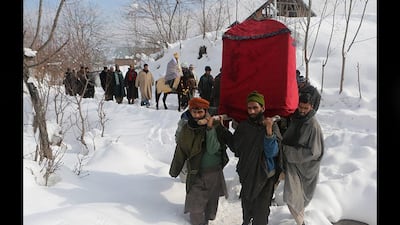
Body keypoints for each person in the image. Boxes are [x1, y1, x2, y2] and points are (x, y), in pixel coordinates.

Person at [217, 91, 282, 225]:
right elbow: (236, 146)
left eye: (255, 108)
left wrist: (269, 131)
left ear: (262, 108)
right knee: (247, 209)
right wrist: (222, 130)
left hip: (265, 176)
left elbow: (272, 153)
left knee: (261, 212)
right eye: (249, 108)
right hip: (247, 174)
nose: (252, 111)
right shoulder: (244, 127)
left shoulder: (270, 125)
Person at [169, 97, 229, 225]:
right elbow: (181, 149)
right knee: (195, 207)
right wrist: (175, 170)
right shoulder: (187, 128)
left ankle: (208, 219)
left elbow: (213, 149)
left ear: (205, 111)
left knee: (211, 205)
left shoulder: (216, 125)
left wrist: (209, 129)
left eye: (200, 112)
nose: (196, 115)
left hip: (214, 171)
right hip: (196, 172)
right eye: (194, 112)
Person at [281, 93, 324, 225]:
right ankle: (301, 222)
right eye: (300, 107)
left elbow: (315, 152)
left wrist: (289, 151)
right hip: (292, 165)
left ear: (311, 107)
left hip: (305, 168)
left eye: (306, 108)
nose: (302, 111)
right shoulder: (297, 118)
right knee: (292, 197)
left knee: (294, 198)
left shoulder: (313, 125)